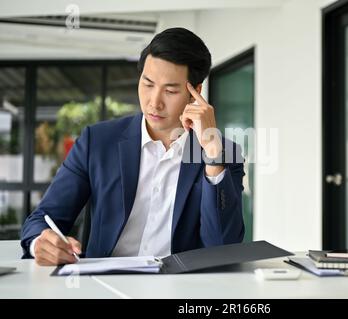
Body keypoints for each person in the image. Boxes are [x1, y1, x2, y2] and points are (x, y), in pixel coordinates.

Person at [21, 27, 245, 266]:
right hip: (104, 287)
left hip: (180, 291)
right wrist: (40, 243)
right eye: (147, 84)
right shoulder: (97, 142)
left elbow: (223, 248)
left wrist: (212, 153)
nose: (154, 102)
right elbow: (42, 220)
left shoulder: (223, 153)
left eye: (170, 90)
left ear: (195, 93)